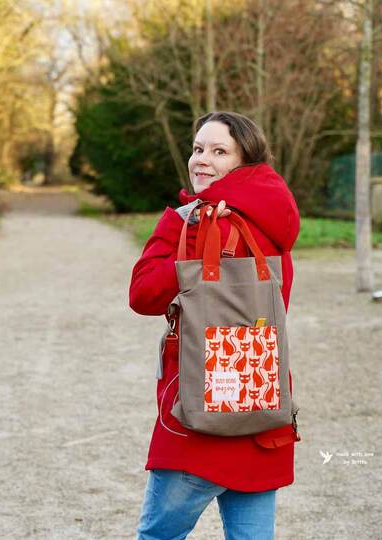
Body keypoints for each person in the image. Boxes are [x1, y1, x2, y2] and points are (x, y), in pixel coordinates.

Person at [129, 111, 300, 540]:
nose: (201, 159)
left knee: (158, 537)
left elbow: (143, 295)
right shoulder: (273, 225)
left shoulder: (189, 223)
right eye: (198, 148)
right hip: (260, 407)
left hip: (198, 417)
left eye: (219, 151)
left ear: (244, 163)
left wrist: (188, 231)